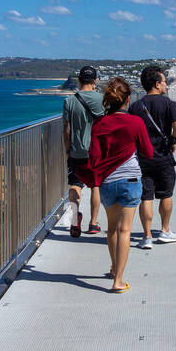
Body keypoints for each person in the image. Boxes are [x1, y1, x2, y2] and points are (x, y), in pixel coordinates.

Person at [82, 77, 155, 293]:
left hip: (107, 182)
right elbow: (148, 152)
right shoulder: (135, 122)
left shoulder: (99, 124)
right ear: (128, 99)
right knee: (125, 230)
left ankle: (114, 267)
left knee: (112, 228)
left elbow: (94, 156)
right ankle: (118, 280)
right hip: (130, 180)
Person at [129, 64, 176, 249]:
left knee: (146, 197)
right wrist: (173, 141)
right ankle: (165, 230)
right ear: (157, 84)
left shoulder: (135, 106)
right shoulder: (170, 104)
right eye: (164, 81)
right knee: (166, 195)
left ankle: (146, 236)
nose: (166, 84)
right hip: (163, 157)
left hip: (142, 159)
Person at [61, 66, 105, 238]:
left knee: (75, 185)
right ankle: (93, 224)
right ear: (95, 80)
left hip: (76, 151)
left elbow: (66, 128)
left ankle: (74, 220)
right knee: (95, 186)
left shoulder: (69, 101)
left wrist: (67, 149)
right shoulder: (101, 99)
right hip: (95, 152)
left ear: (79, 80)